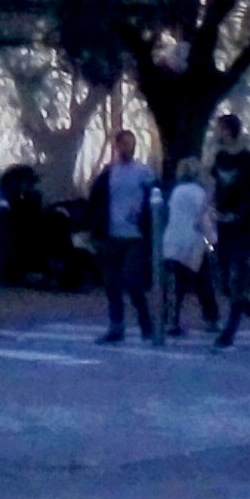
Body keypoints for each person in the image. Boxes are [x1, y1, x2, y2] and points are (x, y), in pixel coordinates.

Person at [208, 113, 250, 349]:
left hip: (243, 226)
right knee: (225, 283)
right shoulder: (220, 158)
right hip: (223, 225)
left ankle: (229, 333)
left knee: (237, 280)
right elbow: (214, 186)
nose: (216, 133)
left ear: (228, 131)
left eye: (220, 129)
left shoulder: (249, 161)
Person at [93, 129, 155, 343]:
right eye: (125, 144)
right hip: (111, 233)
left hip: (135, 235)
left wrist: (145, 215)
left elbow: (154, 197)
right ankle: (116, 325)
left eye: (132, 143)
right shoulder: (109, 172)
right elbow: (97, 199)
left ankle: (146, 322)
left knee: (132, 280)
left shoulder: (144, 172)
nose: (129, 148)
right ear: (117, 146)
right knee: (111, 283)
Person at [160, 163, 218, 337]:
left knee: (175, 285)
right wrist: (214, 239)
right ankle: (211, 318)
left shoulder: (176, 192)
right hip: (192, 242)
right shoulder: (199, 193)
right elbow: (203, 218)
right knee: (203, 283)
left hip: (172, 241)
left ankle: (171, 320)